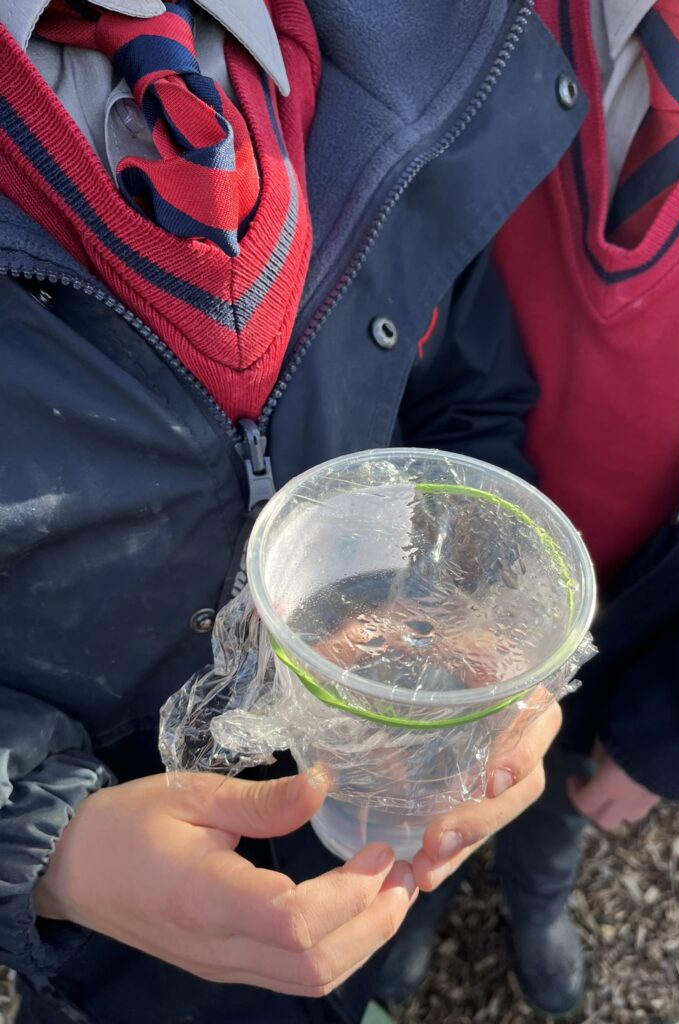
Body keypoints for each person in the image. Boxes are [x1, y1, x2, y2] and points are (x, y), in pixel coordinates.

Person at [0, 2, 587, 1023]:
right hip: (121, 940)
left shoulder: (403, 48)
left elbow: (462, 393)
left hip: (377, 785)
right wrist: (49, 841)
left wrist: (490, 637)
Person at [489, 0, 679, 1015]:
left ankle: (536, 890)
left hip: (650, 608)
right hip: (437, 553)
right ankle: (418, 893)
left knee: (558, 790)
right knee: (422, 768)